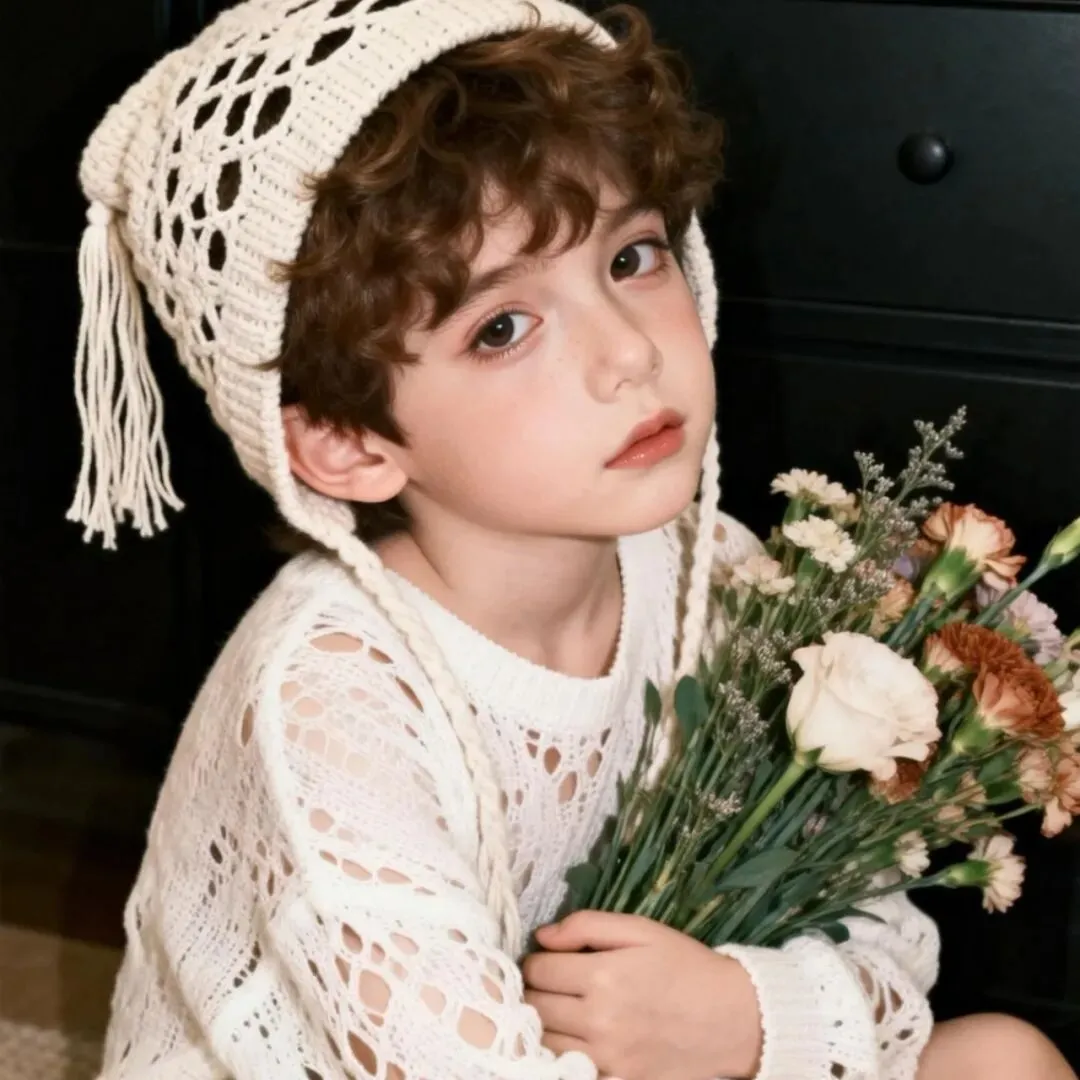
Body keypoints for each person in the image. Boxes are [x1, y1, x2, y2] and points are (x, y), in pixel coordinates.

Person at [70, 1, 1076, 1077]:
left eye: (633, 257)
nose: (629, 353)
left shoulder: (712, 572)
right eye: (503, 328)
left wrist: (749, 1014)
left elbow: (873, 912)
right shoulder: (328, 710)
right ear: (350, 444)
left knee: (1001, 1059)